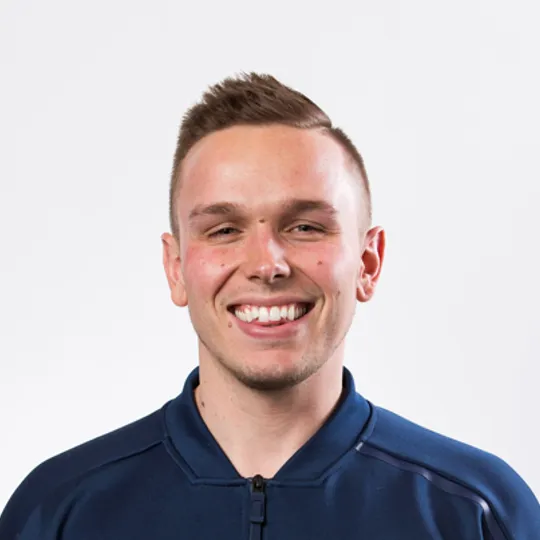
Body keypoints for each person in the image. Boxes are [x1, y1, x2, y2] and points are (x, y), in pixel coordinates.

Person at [1, 72, 538, 540]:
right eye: (224, 229)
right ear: (176, 267)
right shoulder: (57, 512)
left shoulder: (479, 514)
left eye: (305, 226)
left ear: (368, 262)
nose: (266, 264)